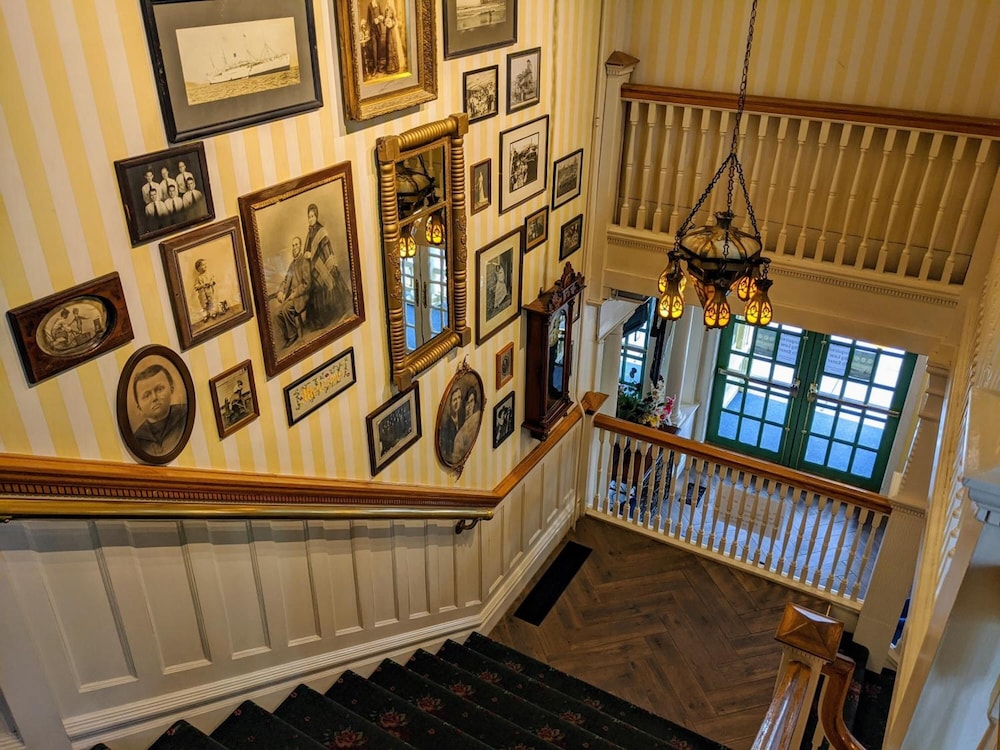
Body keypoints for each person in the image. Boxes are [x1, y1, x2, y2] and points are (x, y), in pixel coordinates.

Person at [303, 203, 350, 329]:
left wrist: (312, 255)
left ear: (316, 216)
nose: (310, 219)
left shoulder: (321, 231)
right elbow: (307, 249)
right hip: (314, 268)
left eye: (312, 216)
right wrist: (307, 254)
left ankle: (334, 314)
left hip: (323, 265)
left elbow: (326, 250)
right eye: (309, 217)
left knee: (329, 285)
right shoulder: (309, 233)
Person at [131, 363, 187, 458]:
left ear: (171, 389)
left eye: (159, 389)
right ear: (139, 406)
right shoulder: (137, 439)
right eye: (147, 395)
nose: (154, 398)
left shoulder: (185, 415)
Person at [275, 236, 312, 348]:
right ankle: (288, 335)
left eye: (296, 245)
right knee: (277, 314)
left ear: (300, 246)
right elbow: (286, 280)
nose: (294, 247)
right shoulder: (292, 265)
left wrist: (295, 294)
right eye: (293, 245)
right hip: (291, 297)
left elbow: (307, 284)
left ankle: (293, 334)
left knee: (286, 309)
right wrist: (280, 291)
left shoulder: (304, 262)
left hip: (301, 296)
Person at [451, 387, 482, 462]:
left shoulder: (477, 417)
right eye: (467, 403)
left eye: (471, 401)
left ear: (475, 402)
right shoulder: (459, 436)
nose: (469, 406)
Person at [439, 384, 464, 463]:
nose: (457, 402)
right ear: (450, 403)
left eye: (459, 398)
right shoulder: (446, 426)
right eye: (454, 400)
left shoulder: (463, 419)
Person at [367, 0, 387, 75]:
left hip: (379, 30)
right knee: (374, 50)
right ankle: (375, 68)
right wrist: (368, 29)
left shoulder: (378, 4)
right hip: (373, 31)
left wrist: (378, 19)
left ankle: (379, 67)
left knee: (379, 49)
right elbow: (368, 19)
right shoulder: (369, 6)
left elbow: (382, 15)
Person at [384, 2, 402, 74]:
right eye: (387, 13)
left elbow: (392, 23)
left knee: (393, 47)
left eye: (389, 13)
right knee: (389, 47)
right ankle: (390, 67)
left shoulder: (392, 17)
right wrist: (385, 21)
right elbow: (386, 23)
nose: (388, 14)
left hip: (392, 33)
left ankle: (395, 66)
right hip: (388, 33)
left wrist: (390, 23)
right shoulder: (386, 11)